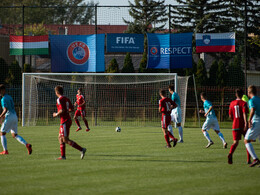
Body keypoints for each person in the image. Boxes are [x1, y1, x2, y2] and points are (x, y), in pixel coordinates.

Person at [53, 86, 86, 160]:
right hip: (67, 120)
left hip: (64, 121)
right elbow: (72, 109)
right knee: (60, 138)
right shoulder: (66, 98)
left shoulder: (59, 99)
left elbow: (62, 110)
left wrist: (56, 114)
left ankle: (81, 149)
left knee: (65, 139)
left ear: (57, 92)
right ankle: (63, 156)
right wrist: (67, 111)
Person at [0, 84, 32, 155]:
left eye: (0, 91)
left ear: (3, 90)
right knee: (14, 135)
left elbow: (5, 109)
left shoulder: (3, 99)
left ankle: (5, 151)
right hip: (14, 116)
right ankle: (27, 145)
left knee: (2, 133)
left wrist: (0, 116)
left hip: (9, 116)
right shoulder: (10, 97)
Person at [228, 88, 251, 164]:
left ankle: (230, 153)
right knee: (247, 142)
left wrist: (234, 120)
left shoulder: (231, 103)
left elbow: (230, 116)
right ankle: (248, 160)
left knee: (235, 142)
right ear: (242, 95)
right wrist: (246, 123)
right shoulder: (244, 103)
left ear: (236, 94)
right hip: (242, 125)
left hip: (235, 125)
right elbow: (244, 114)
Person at [244, 85, 260, 167]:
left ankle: (255, 159)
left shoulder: (251, 100)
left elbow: (253, 109)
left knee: (246, 140)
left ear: (249, 92)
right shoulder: (259, 99)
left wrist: (249, 120)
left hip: (257, 122)